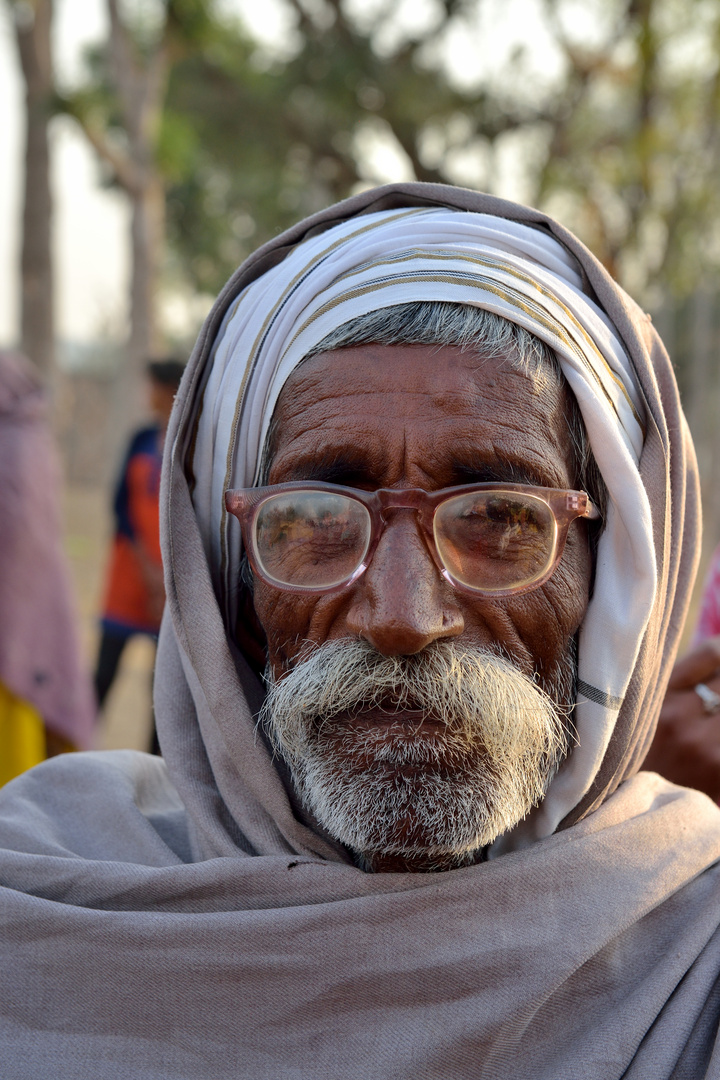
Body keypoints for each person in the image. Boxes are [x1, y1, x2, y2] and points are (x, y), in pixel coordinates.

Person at [0, 183, 718, 1079]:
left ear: (612, 578)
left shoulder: (695, 953)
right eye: (314, 519)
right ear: (229, 584)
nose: (404, 617)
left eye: (500, 518)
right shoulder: (41, 896)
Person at [0, 349, 94, 785]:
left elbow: (19, 533)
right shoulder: (33, 437)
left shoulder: (13, 444)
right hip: (35, 595)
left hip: (17, 601)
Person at [94, 358, 184, 752]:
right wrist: (146, 566)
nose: (149, 396)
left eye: (154, 387)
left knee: (160, 688)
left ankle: (155, 767)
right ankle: (75, 748)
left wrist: (164, 576)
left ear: (170, 391)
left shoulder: (190, 444)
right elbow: (120, 507)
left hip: (169, 586)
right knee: (102, 674)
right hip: (129, 577)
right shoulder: (140, 439)